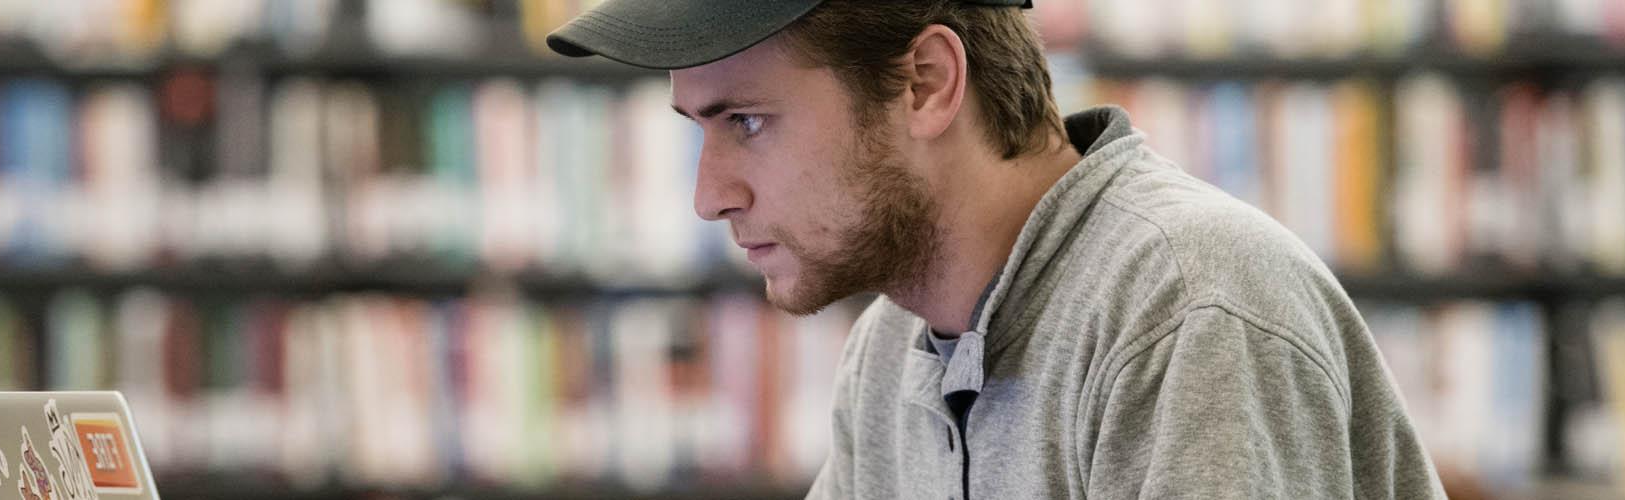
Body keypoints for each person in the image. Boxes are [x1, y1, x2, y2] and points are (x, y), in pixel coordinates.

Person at [546, 1, 1447, 498]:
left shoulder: (1188, 308)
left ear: (927, 83)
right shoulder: (892, 351)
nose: (709, 196)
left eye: (746, 121)